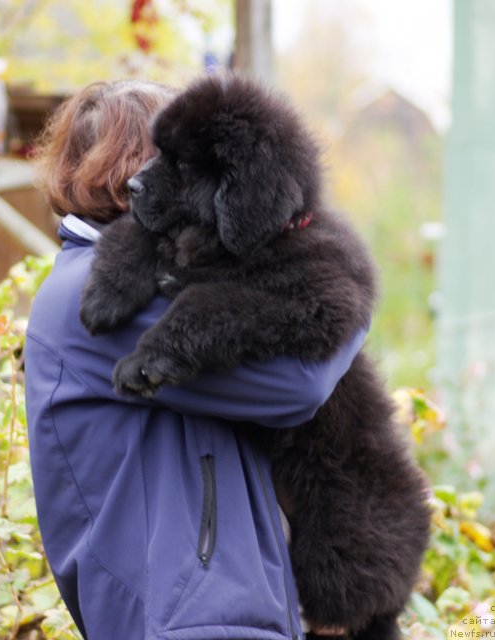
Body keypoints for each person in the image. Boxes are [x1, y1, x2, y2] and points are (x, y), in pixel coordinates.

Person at [24, 79, 368, 640]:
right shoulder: (101, 295)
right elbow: (301, 381)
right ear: (126, 172)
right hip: (188, 616)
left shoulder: (132, 280)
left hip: (204, 612)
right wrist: (350, 291)